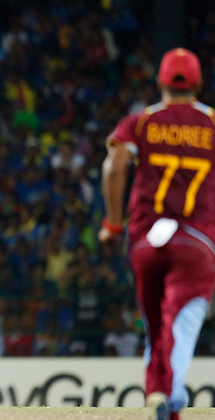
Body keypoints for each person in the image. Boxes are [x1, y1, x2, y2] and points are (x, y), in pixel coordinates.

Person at [99, 48, 215, 420]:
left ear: (160, 81)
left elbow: (115, 165)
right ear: (197, 83)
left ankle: (159, 393)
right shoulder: (213, 123)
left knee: (155, 324)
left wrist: (112, 223)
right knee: (180, 318)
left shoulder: (143, 121)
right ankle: (172, 391)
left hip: (147, 238)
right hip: (196, 241)